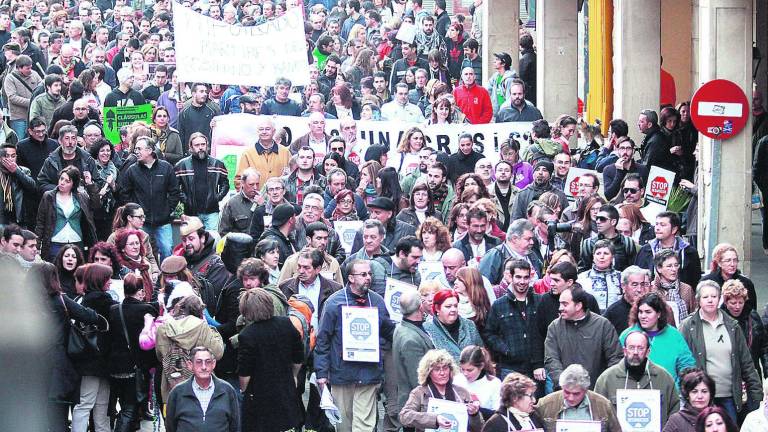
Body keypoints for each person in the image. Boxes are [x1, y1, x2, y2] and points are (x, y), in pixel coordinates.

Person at [314, 259, 396, 432]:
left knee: (364, 427)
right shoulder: (334, 303)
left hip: (368, 374)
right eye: (363, 274)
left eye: (369, 274)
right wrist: (321, 373)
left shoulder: (377, 301)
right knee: (344, 425)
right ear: (351, 278)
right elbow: (323, 340)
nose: (368, 278)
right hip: (342, 374)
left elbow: (390, 333)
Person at [679, 280, 763, 421]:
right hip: (700, 396)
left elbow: (747, 363)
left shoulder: (732, 325)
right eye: (706, 297)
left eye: (714, 296)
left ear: (720, 299)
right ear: (698, 300)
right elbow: (681, 362)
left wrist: (757, 394)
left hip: (728, 396)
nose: (710, 300)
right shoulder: (688, 326)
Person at [36, 261, 103, 432]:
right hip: (58, 363)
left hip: (34, 362)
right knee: (58, 413)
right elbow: (89, 315)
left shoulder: (27, 302)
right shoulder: (59, 299)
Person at [237, 288, 304, 432]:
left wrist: (243, 390)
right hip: (285, 388)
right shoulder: (286, 324)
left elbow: (245, 371)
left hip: (260, 394)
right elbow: (298, 356)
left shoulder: (247, 335)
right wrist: (293, 375)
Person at [106, 273, 159, 432]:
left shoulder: (114, 310)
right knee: (130, 408)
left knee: (124, 405)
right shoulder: (147, 310)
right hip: (136, 366)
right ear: (141, 292)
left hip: (115, 366)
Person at [594, 330, 680, 427]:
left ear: (648, 352)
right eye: (631, 348)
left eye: (640, 348)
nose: (635, 352)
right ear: (625, 351)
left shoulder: (664, 378)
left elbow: (674, 414)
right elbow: (598, 417)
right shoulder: (606, 379)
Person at [544, 286, 623, 389]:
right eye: (560, 303)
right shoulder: (555, 327)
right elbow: (551, 359)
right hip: (565, 392)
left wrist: (604, 385)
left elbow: (615, 358)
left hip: (596, 392)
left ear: (578, 306)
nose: (560, 308)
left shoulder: (602, 325)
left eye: (565, 304)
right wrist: (564, 384)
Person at [71, 263, 117, 432]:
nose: (111, 282)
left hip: (90, 361)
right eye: (108, 278)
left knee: (89, 403)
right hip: (98, 360)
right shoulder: (104, 301)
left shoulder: (86, 300)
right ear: (100, 280)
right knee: (95, 404)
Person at [118, 136, 179, 260]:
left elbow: (175, 192)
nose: (137, 152)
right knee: (141, 252)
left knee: (167, 251)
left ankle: (166, 278)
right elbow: (124, 193)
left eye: (140, 149)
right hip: (141, 222)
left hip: (163, 221)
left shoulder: (166, 167)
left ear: (150, 150)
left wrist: (167, 210)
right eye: (136, 149)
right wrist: (134, 212)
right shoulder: (132, 170)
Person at [155, 295, 225, 403]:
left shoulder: (163, 329)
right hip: (200, 386)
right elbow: (218, 353)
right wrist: (214, 332)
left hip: (171, 387)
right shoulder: (203, 328)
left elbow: (160, 357)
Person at [399, 348, 484, 432]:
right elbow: (404, 416)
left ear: (450, 369)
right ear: (428, 372)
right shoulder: (419, 393)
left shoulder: (462, 392)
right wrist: (435, 419)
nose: (442, 373)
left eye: (445, 368)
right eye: (437, 369)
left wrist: (474, 414)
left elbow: (479, 428)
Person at [483, 259, 541, 381]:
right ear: (511, 277)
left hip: (535, 367)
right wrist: (506, 349)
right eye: (518, 277)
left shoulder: (539, 302)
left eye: (526, 277)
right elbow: (489, 333)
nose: (522, 282)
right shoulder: (499, 305)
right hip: (509, 367)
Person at [165, 346, 239, 432]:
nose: (204, 367)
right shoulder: (177, 393)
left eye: (208, 362)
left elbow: (234, 426)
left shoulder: (227, 390)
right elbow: (170, 427)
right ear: (190, 365)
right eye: (199, 362)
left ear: (213, 364)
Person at [36, 165, 98, 261]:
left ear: (73, 184)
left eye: (67, 181)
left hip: (76, 241)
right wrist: (37, 245)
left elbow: (96, 205)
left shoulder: (81, 197)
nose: (62, 183)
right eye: (61, 179)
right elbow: (40, 222)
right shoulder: (48, 196)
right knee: (54, 272)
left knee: (76, 273)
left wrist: (90, 184)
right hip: (55, 242)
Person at [535, 364, 621, 431]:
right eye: (567, 392)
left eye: (576, 394)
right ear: (562, 387)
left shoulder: (603, 405)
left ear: (586, 390)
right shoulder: (545, 404)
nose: (571, 398)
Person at [393, 289, 436, 419]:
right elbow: (418, 378)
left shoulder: (402, 327)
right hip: (416, 408)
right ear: (419, 306)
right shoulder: (410, 339)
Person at [174, 133, 229, 231]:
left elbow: (225, 184)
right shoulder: (181, 165)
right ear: (190, 147)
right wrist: (185, 200)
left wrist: (217, 198)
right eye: (197, 145)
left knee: (212, 241)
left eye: (203, 144)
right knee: (193, 240)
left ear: (207, 145)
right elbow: (175, 187)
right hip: (191, 212)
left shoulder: (217, 164)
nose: (200, 147)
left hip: (212, 211)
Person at [636, 211, 702, 289]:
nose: (657, 228)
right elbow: (638, 276)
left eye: (662, 225)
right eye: (656, 224)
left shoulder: (689, 252)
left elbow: (695, 281)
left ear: (674, 229)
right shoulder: (646, 250)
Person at [720, 279, 768, 381]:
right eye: (733, 303)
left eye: (740, 302)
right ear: (725, 302)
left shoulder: (753, 317)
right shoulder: (718, 318)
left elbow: (764, 347)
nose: (737, 306)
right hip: (726, 375)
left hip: (751, 373)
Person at [424, 289, 484, 360]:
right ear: (437, 308)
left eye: (455, 306)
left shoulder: (469, 325)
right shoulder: (427, 329)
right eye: (448, 306)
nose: (453, 309)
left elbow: (481, 351)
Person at [479, 219, 543, 285]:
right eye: (528, 239)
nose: (532, 242)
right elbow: (483, 287)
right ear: (514, 239)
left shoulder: (532, 254)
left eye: (532, 239)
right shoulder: (494, 256)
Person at [701, 242, 757, 313]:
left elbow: (752, 310)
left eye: (735, 260)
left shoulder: (746, 283)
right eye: (728, 261)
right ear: (719, 263)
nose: (732, 264)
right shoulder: (707, 282)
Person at [235, 117, 291, 184]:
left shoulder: (285, 152)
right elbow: (239, 180)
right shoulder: (247, 153)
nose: (264, 132)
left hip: (280, 194)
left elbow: (292, 176)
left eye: (267, 129)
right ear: (257, 131)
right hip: (255, 194)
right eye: (261, 129)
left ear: (274, 131)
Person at [663, 368, 715, 432]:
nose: (700, 396)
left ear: (711, 394)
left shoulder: (719, 417)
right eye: (694, 392)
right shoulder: (676, 420)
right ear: (687, 395)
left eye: (704, 391)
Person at [577, 240, 622, 312]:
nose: (602, 257)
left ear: (612, 257)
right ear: (593, 256)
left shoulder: (621, 277)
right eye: (598, 253)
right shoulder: (582, 278)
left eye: (606, 253)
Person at [604, 265, 651, 334]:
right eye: (635, 285)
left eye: (642, 284)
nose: (639, 289)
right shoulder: (612, 312)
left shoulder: (654, 309)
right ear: (623, 286)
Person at [457, 345, 501, 419]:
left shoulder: (494, 383)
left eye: (469, 370)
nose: (465, 374)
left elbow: (499, 414)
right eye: (462, 369)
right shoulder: (458, 379)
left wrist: (477, 410)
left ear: (481, 366)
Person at [218, 168, 262, 236]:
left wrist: (263, 206)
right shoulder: (232, 203)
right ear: (242, 183)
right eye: (251, 184)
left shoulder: (265, 201)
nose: (255, 187)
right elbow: (223, 231)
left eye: (257, 184)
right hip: (241, 244)